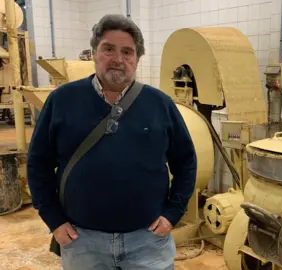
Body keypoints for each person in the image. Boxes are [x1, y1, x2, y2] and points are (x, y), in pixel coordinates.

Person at [27, 14, 197, 270]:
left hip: (148, 241)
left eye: (127, 52)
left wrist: (172, 214)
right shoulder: (62, 101)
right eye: (109, 49)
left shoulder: (160, 104)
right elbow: (38, 164)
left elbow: (186, 162)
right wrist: (53, 220)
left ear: (137, 59)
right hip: (83, 242)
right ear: (94, 53)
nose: (118, 59)